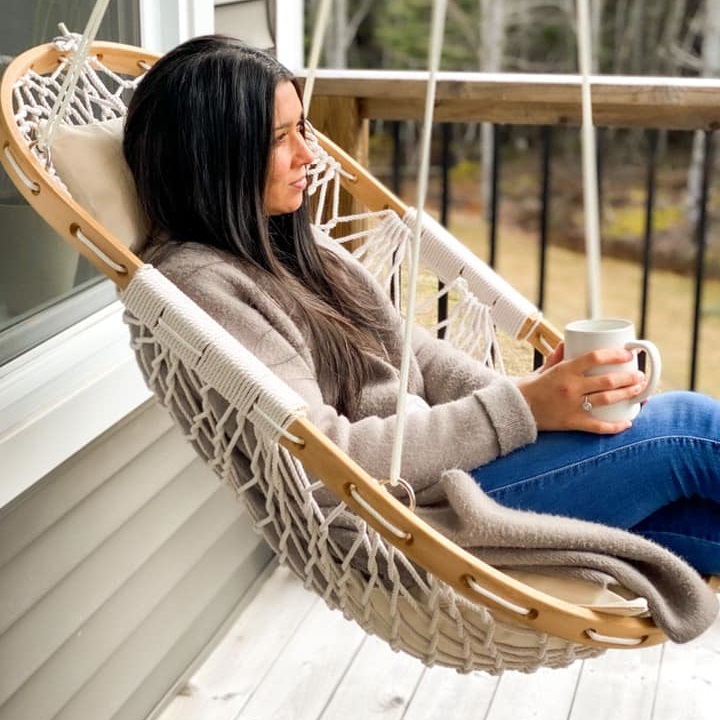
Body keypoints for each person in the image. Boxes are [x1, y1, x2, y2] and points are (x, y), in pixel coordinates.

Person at [122, 34, 720, 578]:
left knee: (700, 521)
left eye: (303, 127)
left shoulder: (301, 248)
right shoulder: (204, 287)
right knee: (687, 428)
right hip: (410, 516)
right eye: (280, 139)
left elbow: (417, 355)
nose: (309, 153)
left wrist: (535, 395)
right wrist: (523, 409)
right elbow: (324, 460)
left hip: (455, 473)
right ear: (210, 156)